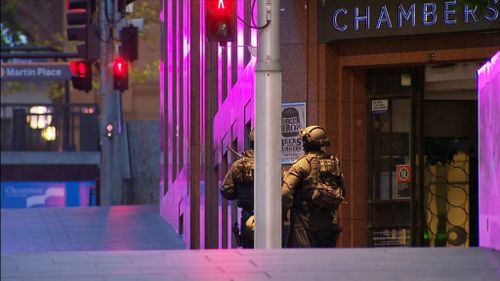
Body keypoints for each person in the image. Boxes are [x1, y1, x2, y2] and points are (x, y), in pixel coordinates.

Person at [281, 125, 345, 248]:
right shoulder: (334, 162)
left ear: (306, 142)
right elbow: (343, 188)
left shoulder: (302, 164)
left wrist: (284, 213)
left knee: (305, 259)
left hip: (305, 221)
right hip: (328, 220)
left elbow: (285, 193)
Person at [220, 130, 255, 248]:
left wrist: (240, 192)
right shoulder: (273, 162)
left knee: (249, 250)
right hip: (272, 215)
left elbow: (226, 190)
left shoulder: (238, 165)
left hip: (247, 214)